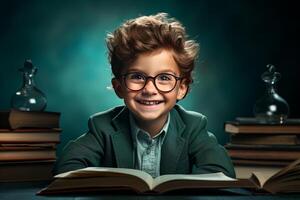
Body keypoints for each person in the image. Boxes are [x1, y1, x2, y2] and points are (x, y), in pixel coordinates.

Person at [53, 13, 235, 178]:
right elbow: (66, 168)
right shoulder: (103, 127)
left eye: (164, 77)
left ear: (182, 88)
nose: (149, 89)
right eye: (137, 77)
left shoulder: (193, 127)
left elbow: (221, 172)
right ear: (119, 87)